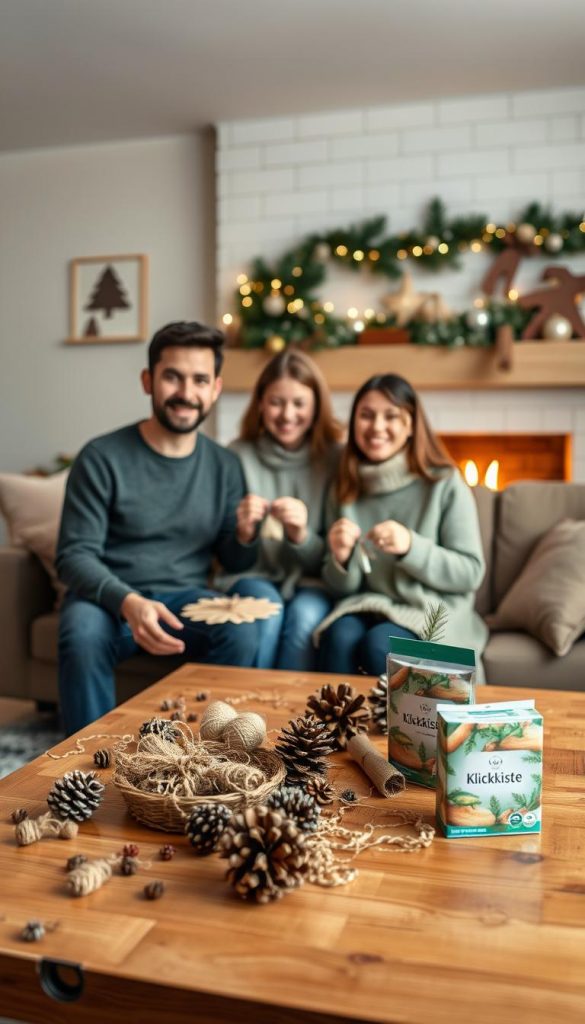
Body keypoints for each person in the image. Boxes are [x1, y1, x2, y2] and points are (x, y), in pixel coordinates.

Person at [56, 321, 264, 735]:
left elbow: (236, 559)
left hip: (186, 602)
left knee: (242, 632)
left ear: (215, 388)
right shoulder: (101, 457)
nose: (187, 393)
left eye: (200, 380)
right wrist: (129, 603)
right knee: (80, 635)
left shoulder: (225, 465)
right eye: (173, 376)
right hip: (110, 601)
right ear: (148, 380)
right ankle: (84, 759)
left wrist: (244, 534)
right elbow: (74, 555)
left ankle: (211, 754)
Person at [316, 373, 488, 676]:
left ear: (410, 425)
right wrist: (341, 558)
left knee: (379, 646)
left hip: (430, 610)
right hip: (368, 604)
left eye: (390, 416)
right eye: (366, 416)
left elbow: (470, 573)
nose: (376, 427)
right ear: (353, 423)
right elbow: (343, 588)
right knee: (337, 637)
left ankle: (399, 725)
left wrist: (411, 546)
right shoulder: (343, 486)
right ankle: (335, 725)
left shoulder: (444, 483)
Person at [218, 348, 344, 670]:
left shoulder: (334, 460)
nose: (287, 415)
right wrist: (244, 534)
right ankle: (251, 715)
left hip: (312, 583)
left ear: (316, 406)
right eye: (276, 402)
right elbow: (229, 558)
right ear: (260, 403)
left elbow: (331, 562)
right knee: (265, 609)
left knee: (305, 619)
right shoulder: (236, 455)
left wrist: (300, 535)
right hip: (253, 575)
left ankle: (294, 718)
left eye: (299, 403)